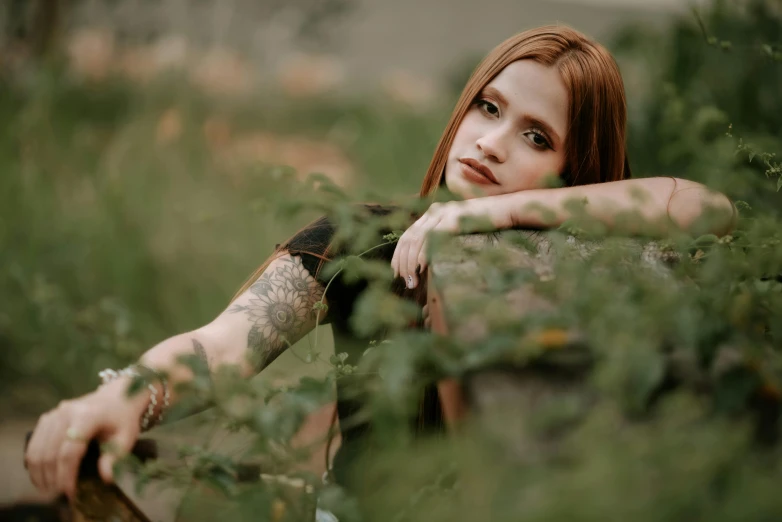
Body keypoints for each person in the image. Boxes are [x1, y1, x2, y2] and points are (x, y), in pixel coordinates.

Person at [24, 25, 735, 500]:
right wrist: (124, 395)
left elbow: (708, 208)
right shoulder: (366, 236)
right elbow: (223, 346)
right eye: (486, 107)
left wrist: (496, 215)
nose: (490, 143)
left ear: (576, 171)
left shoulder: (594, 255)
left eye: (536, 136)